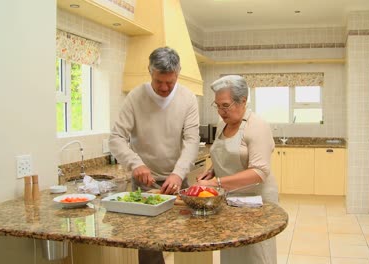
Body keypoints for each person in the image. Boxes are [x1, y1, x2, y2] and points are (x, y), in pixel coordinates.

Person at [109, 46, 199, 264]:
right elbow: (116, 138)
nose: (165, 87)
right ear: (150, 71)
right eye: (159, 81)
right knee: (149, 244)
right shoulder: (135, 97)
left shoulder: (187, 98)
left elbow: (191, 141)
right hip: (144, 184)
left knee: (184, 239)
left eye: (170, 82)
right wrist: (135, 163)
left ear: (178, 74)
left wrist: (178, 174)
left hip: (177, 181)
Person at [197, 75, 278, 264]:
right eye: (217, 105)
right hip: (231, 200)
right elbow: (226, 154)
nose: (220, 111)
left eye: (225, 105)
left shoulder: (257, 126)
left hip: (257, 202)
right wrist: (213, 170)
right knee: (232, 250)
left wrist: (215, 183)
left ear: (243, 101)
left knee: (256, 254)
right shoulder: (222, 125)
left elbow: (259, 172)